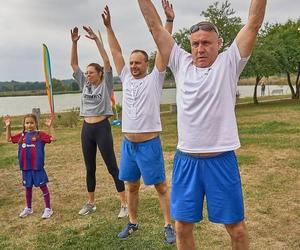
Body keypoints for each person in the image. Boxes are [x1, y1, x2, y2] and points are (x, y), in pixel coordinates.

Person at [137, 0, 267, 249]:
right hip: (187, 161)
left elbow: (253, 23)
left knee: (237, 229)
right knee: (182, 226)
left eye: (206, 43)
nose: (200, 49)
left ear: (219, 44)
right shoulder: (179, 61)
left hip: (221, 160)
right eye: (195, 43)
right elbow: (154, 26)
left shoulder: (229, 63)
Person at [101, 1, 176, 244]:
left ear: (146, 64)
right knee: (131, 187)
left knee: (161, 188)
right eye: (131, 63)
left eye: (138, 62)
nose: (133, 66)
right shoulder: (125, 78)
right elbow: (116, 53)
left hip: (149, 144)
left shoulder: (155, 78)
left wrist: (169, 21)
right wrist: (109, 28)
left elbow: (162, 44)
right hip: (128, 146)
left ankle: (168, 225)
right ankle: (133, 222)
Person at [70, 25, 127, 218]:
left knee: (112, 166)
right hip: (87, 128)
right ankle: (91, 202)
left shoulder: (106, 83)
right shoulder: (83, 84)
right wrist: (74, 44)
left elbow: (106, 61)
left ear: (100, 73)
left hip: (102, 127)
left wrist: (96, 40)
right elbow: (74, 65)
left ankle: (124, 204)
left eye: (91, 72)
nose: (87, 75)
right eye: (87, 73)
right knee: (90, 167)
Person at [4, 113, 55, 219]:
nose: (29, 125)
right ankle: (28, 208)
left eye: (32, 123)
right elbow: (8, 139)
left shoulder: (40, 135)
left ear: (36, 123)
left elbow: (53, 138)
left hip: (37, 167)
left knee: (43, 187)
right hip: (26, 168)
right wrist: (8, 126)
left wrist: (50, 126)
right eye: (27, 123)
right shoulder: (21, 136)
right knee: (28, 188)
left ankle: (48, 208)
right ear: (24, 124)